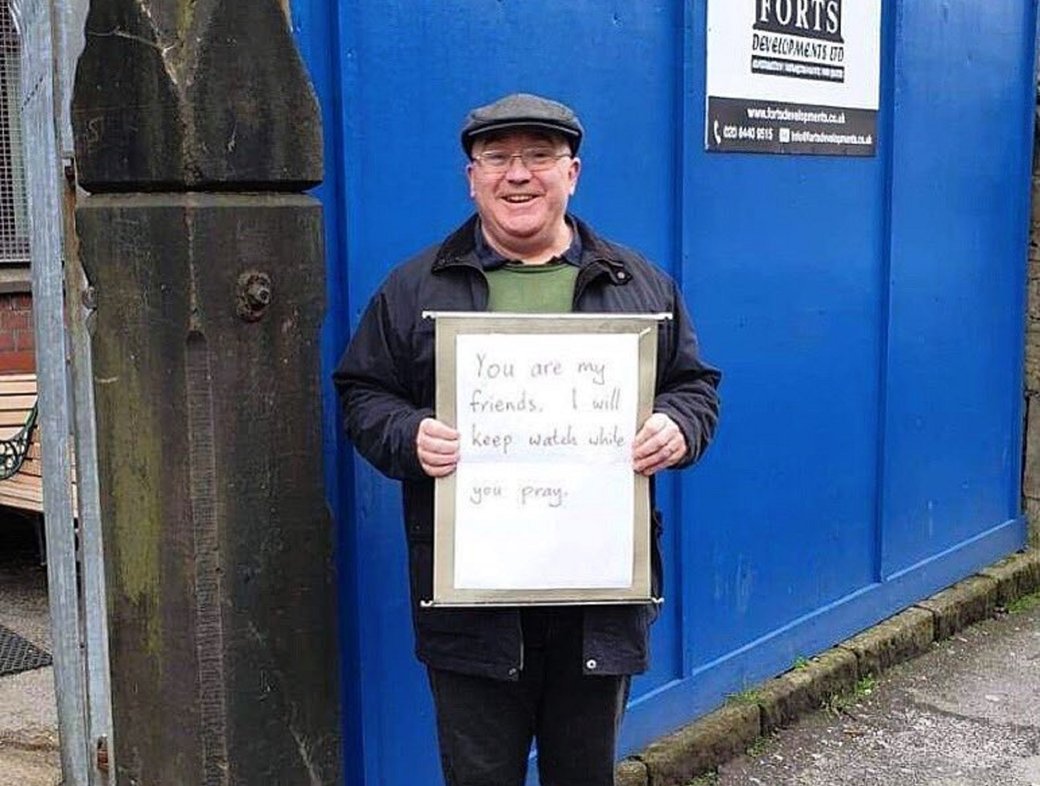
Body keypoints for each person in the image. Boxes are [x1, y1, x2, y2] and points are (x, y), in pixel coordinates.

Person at [334, 92, 720, 786]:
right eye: (498, 157)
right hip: (472, 607)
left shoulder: (639, 285)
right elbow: (362, 394)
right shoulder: (414, 288)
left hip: (596, 603)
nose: (519, 175)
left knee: (583, 775)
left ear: (572, 172)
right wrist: (408, 434)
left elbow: (695, 386)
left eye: (539, 156)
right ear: (472, 177)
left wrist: (679, 425)